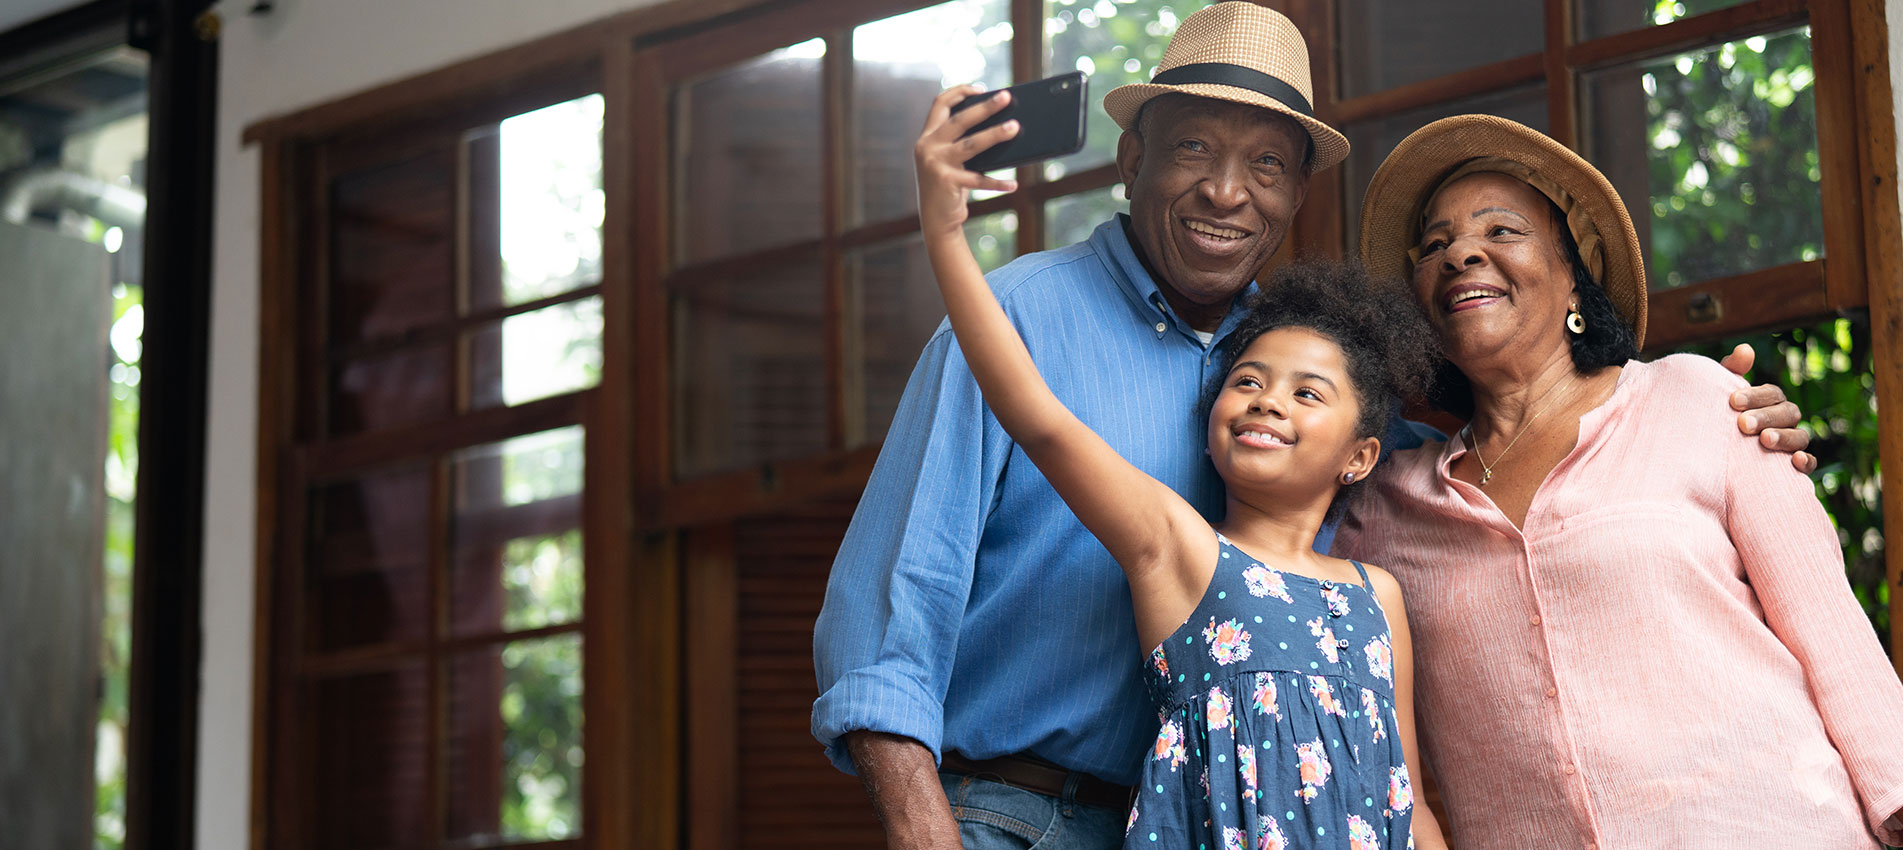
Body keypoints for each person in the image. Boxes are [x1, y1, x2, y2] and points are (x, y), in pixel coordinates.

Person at [811, 5, 1809, 849]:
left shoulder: (1310, 370)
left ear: (1295, 194)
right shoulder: (1012, 327)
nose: (1226, 190)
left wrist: (1682, 413)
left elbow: (1498, 471)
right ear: (1131, 158)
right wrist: (925, 826)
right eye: (1193, 147)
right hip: (1020, 814)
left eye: (1266, 165)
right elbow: (887, 613)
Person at [911, 73, 1449, 848]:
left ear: (1363, 455)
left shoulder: (1377, 594)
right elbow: (1040, 419)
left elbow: (1412, 799)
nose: (1268, 401)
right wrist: (942, 235)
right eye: (1247, 382)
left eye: (1307, 394)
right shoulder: (1182, 550)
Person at [1338, 113, 1903, 850]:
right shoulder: (1379, 510)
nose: (1460, 254)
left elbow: (1835, 642)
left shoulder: (1698, 401)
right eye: (1434, 246)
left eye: (1500, 232)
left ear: (1574, 273)